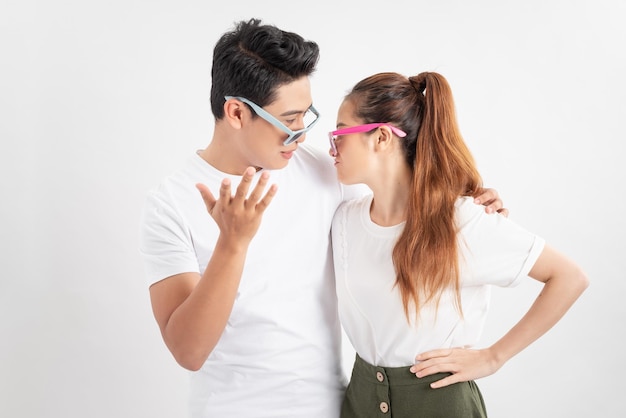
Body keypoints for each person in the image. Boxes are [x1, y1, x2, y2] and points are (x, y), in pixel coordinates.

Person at [139, 19, 506, 417]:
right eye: (288, 120)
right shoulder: (172, 203)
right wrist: (232, 243)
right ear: (236, 112)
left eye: (305, 116)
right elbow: (188, 351)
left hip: (333, 408)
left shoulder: (322, 172)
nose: (301, 134)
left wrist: (466, 203)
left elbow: (398, 207)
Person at [328, 71, 589, 418]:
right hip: (360, 401)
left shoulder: (463, 219)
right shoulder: (345, 220)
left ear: (381, 138)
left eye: (340, 133)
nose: (332, 147)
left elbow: (569, 278)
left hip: (438, 402)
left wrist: (494, 357)